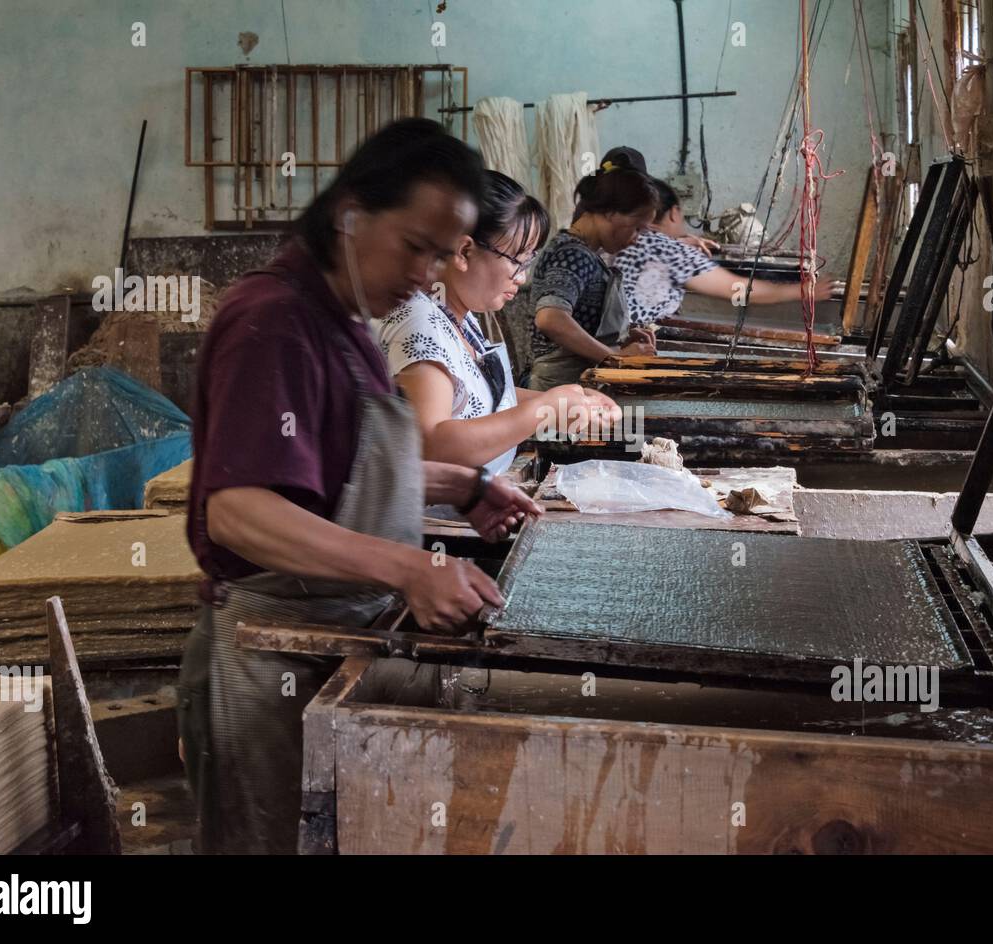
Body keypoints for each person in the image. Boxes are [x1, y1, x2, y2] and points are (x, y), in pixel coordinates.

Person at [176, 118, 542, 854]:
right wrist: (410, 566)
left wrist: (460, 486)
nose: (429, 275)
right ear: (350, 212)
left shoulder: (345, 321)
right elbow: (240, 512)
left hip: (327, 641)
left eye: (443, 256)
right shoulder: (274, 321)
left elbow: (337, 477)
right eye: (416, 247)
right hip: (265, 662)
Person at [377, 170, 621, 474]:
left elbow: (481, 398)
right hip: (436, 517)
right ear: (464, 252)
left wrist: (571, 400)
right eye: (517, 261)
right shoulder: (419, 322)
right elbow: (432, 444)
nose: (521, 277)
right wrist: (543, 410)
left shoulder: (458, 316)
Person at [615, 175, 843, 327]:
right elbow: (737, 291)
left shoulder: (621, 238)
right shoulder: (670, 250)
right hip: (630, 340)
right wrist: (801, 292)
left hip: (610, 333)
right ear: (674, 213)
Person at [525, 159, 659, 390]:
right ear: (610, 212)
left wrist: (622, 336)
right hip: (557, 388)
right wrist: (612, 358)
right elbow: (550, 318)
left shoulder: (586, 253)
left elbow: (579, 321)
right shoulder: (572, 254)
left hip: (575, 387)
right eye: (636, 227)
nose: (637, 238)